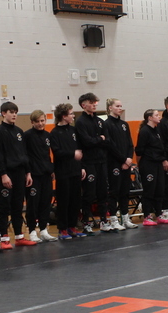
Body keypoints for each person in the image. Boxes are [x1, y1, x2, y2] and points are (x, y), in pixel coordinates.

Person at [0, 102, 35, 248]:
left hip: (20, 173)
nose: (14, 115)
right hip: (7, 173)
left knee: (18, 205)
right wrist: (3, 174)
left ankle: (19, 236)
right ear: (4, 113)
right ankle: (4, 238)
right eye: (11, 112)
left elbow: (24, 153)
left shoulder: (19, 131)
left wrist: (28, 172)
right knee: (4, 206)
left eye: (16, 112)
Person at [76, 92, 110, 233]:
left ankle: (104, 220)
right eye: (91, 103)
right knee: (89, 194)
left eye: (95, 102)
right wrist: (99, 139)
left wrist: (99, 140)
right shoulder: (80, 122)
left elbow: (107, 140)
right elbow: (86, 142)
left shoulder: (100, 121)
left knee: (103, 192)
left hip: (102, 161)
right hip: (89, 162)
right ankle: (86, 222)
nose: (94, 105)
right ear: (84, 105)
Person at [50, 103, 85, 240]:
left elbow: (80, 150)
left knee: (75, 200)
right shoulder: (54, 133)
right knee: (64, 201)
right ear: (64, 116)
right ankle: (62, 228)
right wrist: (72, 154)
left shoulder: (73, 130)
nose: (73, 116)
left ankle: (72, 226)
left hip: (75, 170)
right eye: (71, 114)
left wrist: (82, 167)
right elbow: (57, 152)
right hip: (63, 172)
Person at [105, 98, 138, 230]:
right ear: (110, 108)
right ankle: (113, 219)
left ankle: (125, 218)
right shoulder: (106, 124)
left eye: (121, 106)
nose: (120, 108)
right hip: (114, 163)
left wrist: (129, 159)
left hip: (126, 163)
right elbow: (110, 145)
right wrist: (123, 159)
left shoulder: (124, 124)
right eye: (117, 106)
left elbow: (130, 144)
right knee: (114, 191)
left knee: (125, 191)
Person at [24, 110, 57, 242]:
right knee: (33, 204)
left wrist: (51, 169)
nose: (40, 123)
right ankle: (32, 230)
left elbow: (47, 155)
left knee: (45, 202)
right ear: (32, 122)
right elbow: (25, 156)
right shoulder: (27, 135)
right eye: (37, 121)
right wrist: (28, 173)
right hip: (33, 175)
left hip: (46, 174)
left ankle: (43, 230)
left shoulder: (47, 135)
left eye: (42, 121)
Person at [136, 108, 168, 226]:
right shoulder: (145, 131)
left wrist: (163, 159)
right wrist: (140, 165)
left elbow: (160, 148)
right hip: (148, 164)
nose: (159, 117)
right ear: (150, 118)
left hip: (158, 163)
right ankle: (147, 216)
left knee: (159, 189)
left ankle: (159, 214)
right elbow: (139, 150)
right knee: (149, 190)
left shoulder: (157, 131)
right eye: (156, 115)